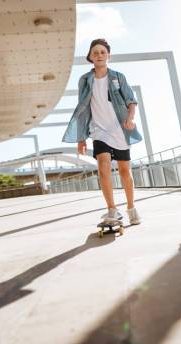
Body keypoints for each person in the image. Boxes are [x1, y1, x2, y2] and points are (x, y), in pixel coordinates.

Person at [62, 38, 142, 225]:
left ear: (108, 56)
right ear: (90, 56)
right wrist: (81, 138)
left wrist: (130, 118)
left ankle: (131, 208)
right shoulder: (85, 80)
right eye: (95, 52)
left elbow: (131, 100)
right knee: (103, 167)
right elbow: (83, 108)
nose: (99, 55)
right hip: (98, 130)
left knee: (124, 171)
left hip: (120, 128)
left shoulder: (118, 77)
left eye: (103, 52)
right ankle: (112, 210)